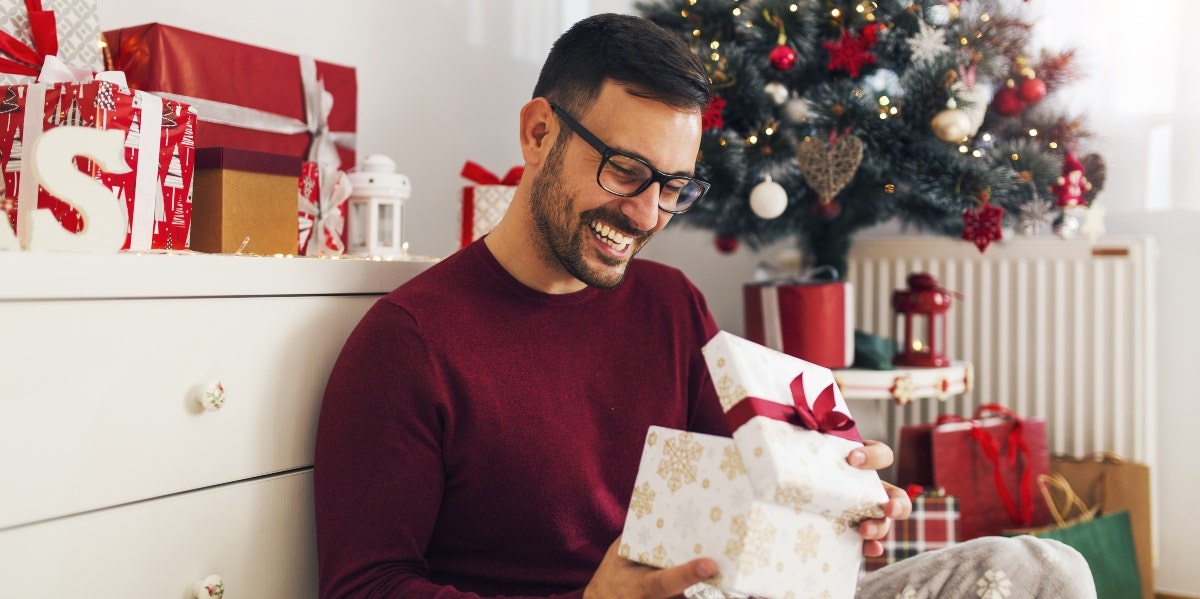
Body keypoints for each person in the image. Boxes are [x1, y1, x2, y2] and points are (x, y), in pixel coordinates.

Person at [314, 13, 1096, 599]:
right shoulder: (411, 343)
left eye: (674, 186)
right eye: (625, 171)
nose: (650, 215)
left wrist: (840, 501)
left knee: (1042, 568)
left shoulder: (668, 304)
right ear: (538, 132)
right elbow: (365, 586)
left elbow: (755, 483)